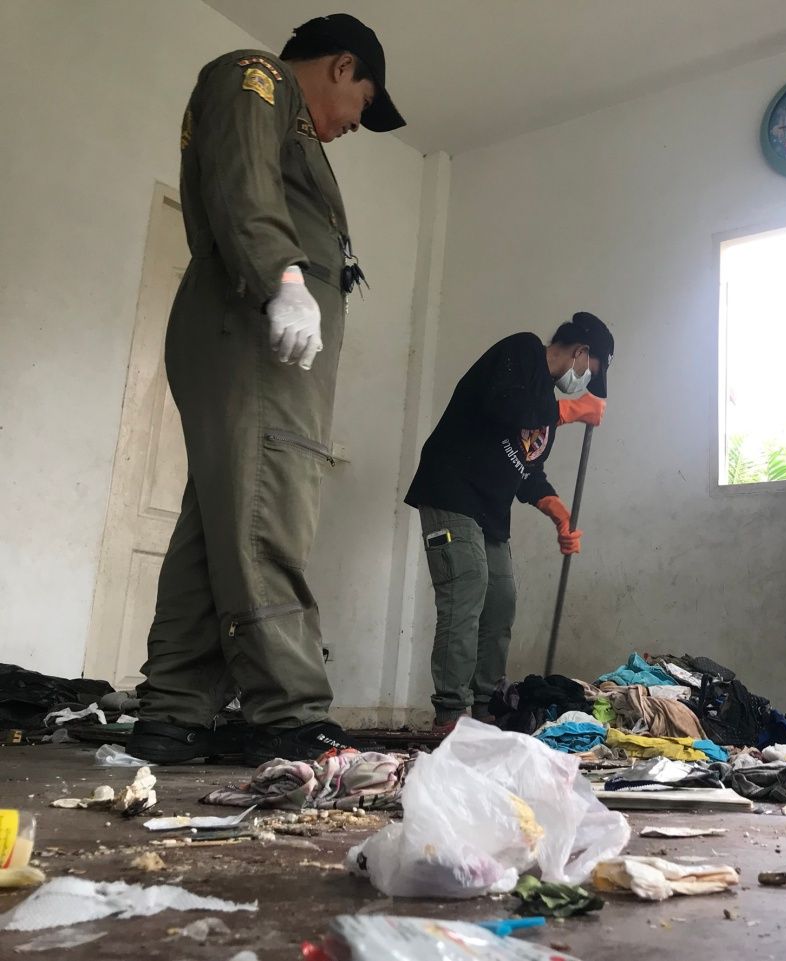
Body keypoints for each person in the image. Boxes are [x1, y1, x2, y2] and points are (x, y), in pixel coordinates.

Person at [127, 14, 405, 767]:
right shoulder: (258, 77)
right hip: (254, 328)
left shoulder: (288, 114)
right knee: (266, 508)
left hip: (256, 334)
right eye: (363, 102)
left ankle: (175, 712)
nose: (356, 124)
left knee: (219, 523)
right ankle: (288, 712)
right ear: (342, 66)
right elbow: (243, 175)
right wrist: (284, 276)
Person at [405, 313, 614, 732]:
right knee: (467, 586)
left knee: (501, 601)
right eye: (589, 372)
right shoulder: (522, 352)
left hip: (490, 512)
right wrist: (569, 411)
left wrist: (560, 515)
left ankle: (487, 707)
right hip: (451, 490)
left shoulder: (546, 409)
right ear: (580, 352)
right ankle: (451, 713)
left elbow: (528, 472)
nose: (584, 383)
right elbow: (503, 404)